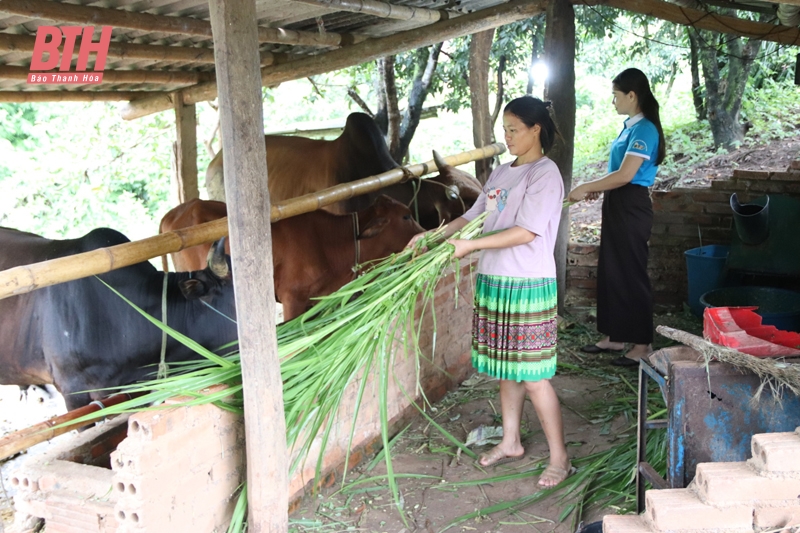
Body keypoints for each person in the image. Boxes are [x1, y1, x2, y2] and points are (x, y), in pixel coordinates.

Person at [407, 96, 570, 488]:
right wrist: (432, 236)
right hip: (495, 283)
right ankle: (511, 441)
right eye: (505, 130)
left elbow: (525, 232)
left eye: (515, 130)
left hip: (528, 284)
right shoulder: (500, 174)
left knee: (533, 375)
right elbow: (473, 216)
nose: (508, 137)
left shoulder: (545, 175)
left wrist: (470, 247)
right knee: (507, 369)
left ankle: (560, 458)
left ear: (536, 130)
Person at [567, 68, 666, 367]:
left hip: (632, 204)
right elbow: (618, 174)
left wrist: (586, 186)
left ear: (632, 95)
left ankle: (642, 344)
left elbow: (626, 175)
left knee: (631, 271)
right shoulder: (629, 127)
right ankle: (615, 336)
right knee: (611, 267)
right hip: (618, 201)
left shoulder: (645, 129)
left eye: (616, 96)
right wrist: (601, 189)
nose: (613, 102)